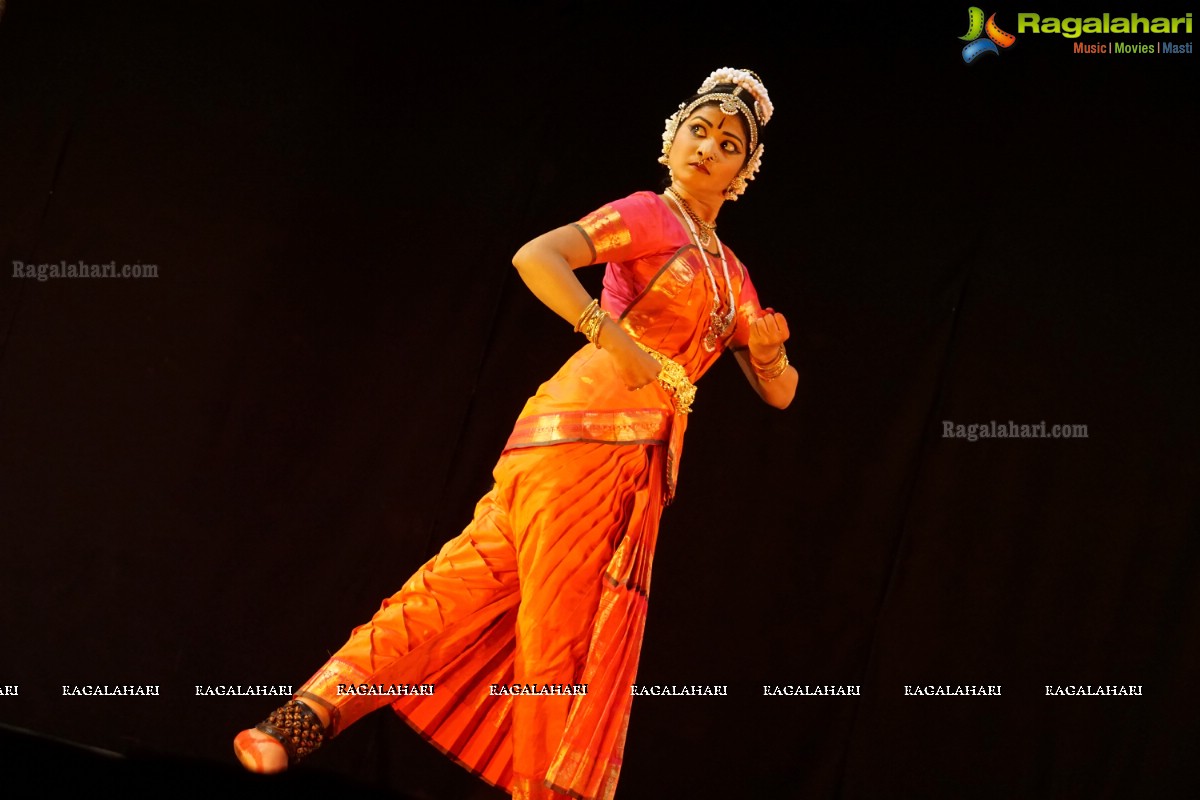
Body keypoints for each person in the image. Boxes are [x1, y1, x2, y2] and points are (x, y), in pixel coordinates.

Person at [233, 66, 797, 800]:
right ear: (671, 140)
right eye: (697, 129)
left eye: (727, 144)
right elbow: (538, 256)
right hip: (590, 440)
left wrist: (768, 352)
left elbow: (781, 393)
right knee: (557, 640)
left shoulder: (733, 274)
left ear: (743, 172)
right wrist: (611, 336)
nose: (707, 147)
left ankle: (301, 720)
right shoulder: (650, 216)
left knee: (452, 594)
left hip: (619, 461)